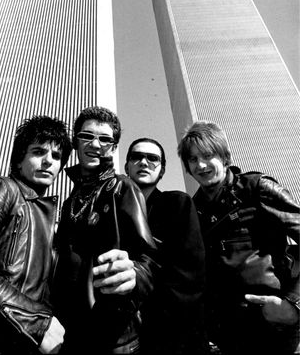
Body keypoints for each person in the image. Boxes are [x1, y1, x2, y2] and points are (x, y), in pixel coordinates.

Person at [177, 120, 300, 355]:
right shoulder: (193, 210)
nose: (201, 165)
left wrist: (294, 304)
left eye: (208, 155)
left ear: (225, 157)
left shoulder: (257, 188)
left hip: (277, 329)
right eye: (193, 159)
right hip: (228, 336)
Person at [53, 106, 157, 355]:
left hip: (114, 336)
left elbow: (149, 258)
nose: (95, 144)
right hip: (71, 331)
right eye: (87, 136)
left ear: (113, 146)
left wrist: (135, 273)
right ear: (76, 142)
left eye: (105, 139)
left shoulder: (122, 188)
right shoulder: (71, 198)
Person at [0, 115, 72, 355]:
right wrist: (37, 322)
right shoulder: (2, 188)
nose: (48, 161)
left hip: (25, 344)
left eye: (56, 156)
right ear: (19, 161)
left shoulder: (47, 216)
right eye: (38, 152)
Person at [125, 137, 208, 355]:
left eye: (152, 159)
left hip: (173, 333)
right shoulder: (115, 212)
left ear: (161, 171)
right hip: (125, 333)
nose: (144, 162)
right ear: (126, 166)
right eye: (136, 157)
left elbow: (189, 274)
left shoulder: (177, 203)